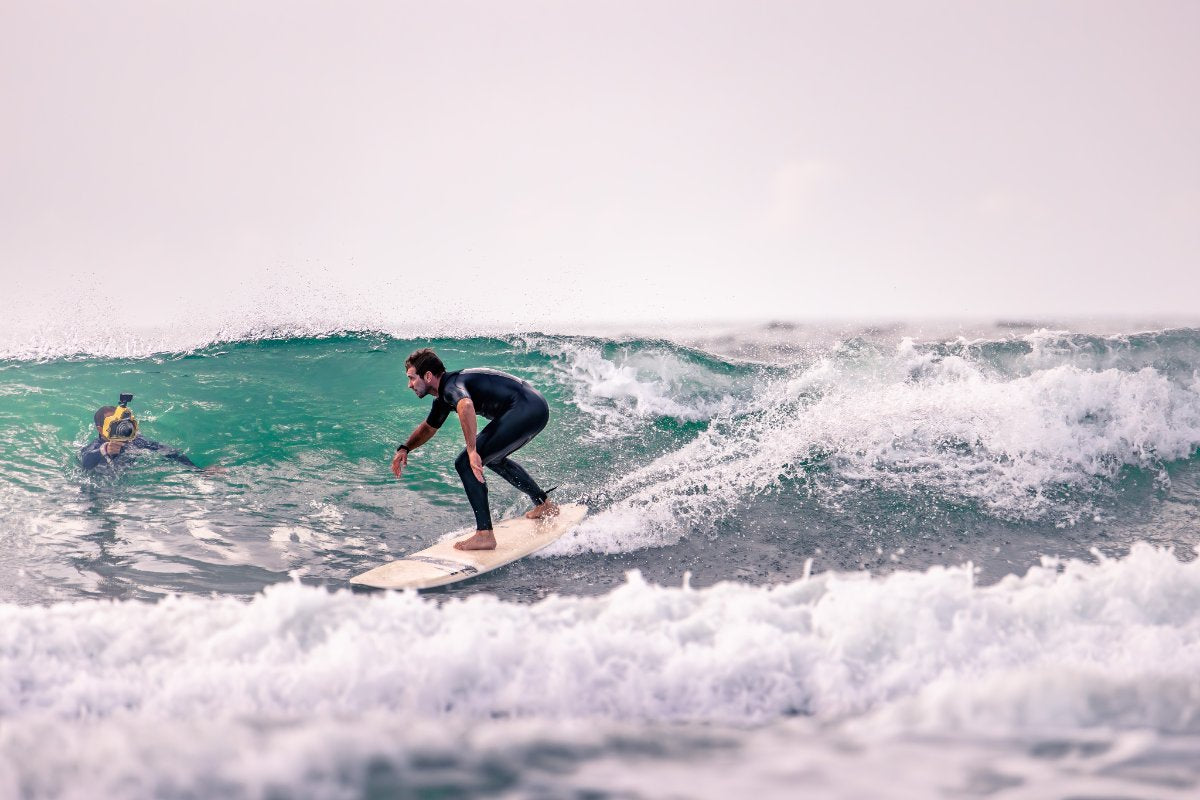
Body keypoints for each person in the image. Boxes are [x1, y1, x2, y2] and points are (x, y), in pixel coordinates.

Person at [391, 348, 558, 550]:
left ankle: (484, 534)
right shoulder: (444, 396)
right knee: (493, 459)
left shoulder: (452, 387)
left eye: (412, 378)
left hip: (525, 407)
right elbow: (428, 428)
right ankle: (544, 504)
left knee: (465, 462)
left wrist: (472, 450)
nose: (409, 385)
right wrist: (405, 448)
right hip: (534, 407)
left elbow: (465, 405)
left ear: (427, 376)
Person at [80, 401, 220, 473]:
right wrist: (104, 450)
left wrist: (198, 470)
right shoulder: (96, 446)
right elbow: (85, 461)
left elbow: (167, 451)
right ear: (100, 429)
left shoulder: (135, 441)